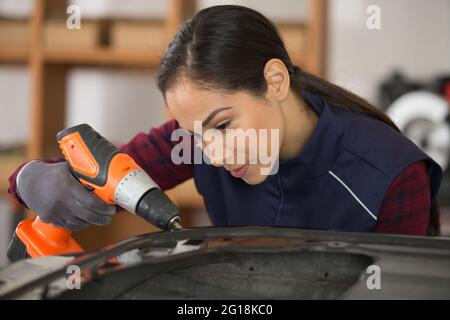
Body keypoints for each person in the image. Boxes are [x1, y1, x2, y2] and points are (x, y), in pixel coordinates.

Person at [8, 5, 442, 235]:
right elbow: (102, 169)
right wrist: (30, 178)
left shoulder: (392, 175)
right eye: (196, 133)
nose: (211, 153)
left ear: (274, 80)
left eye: (222, 125)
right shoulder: (197, 142)